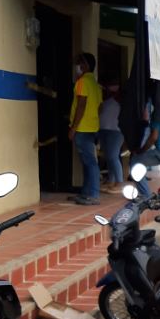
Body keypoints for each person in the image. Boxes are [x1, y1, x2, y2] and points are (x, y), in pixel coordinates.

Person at [68, 52, 103, 205]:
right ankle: (86, 193)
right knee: (87, 162)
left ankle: (94, 194)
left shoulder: (82, 82)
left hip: (82, 128)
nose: (77, 66)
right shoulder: (95, 84)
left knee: (90, 162)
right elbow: (100, 107)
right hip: (92, 127)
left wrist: (73, 127)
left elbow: (81, 105)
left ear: (86, 65)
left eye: (79, 63)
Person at [99, 84, 124, 195]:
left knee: (113, 156)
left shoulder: (121, 102)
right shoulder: (105, 101)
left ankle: (119, 182)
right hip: (103, 130)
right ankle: (111, 181)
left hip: (116, 131)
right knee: (109, 157)